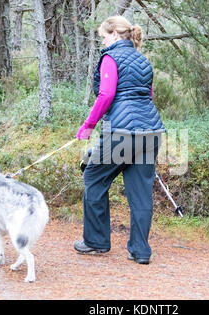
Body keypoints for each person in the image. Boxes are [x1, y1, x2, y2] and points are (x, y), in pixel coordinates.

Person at [73, 16, 165, 265]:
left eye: (104, 35)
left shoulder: (110, 58)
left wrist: (88, 126)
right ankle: (140, 250)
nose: (102, 40)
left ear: (114, 34)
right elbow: (149, 96)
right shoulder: (143, 61)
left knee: (93, 177)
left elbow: (106, 94)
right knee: (141, 194)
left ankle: (96, 242)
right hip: (151, 132)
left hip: (121, 133)